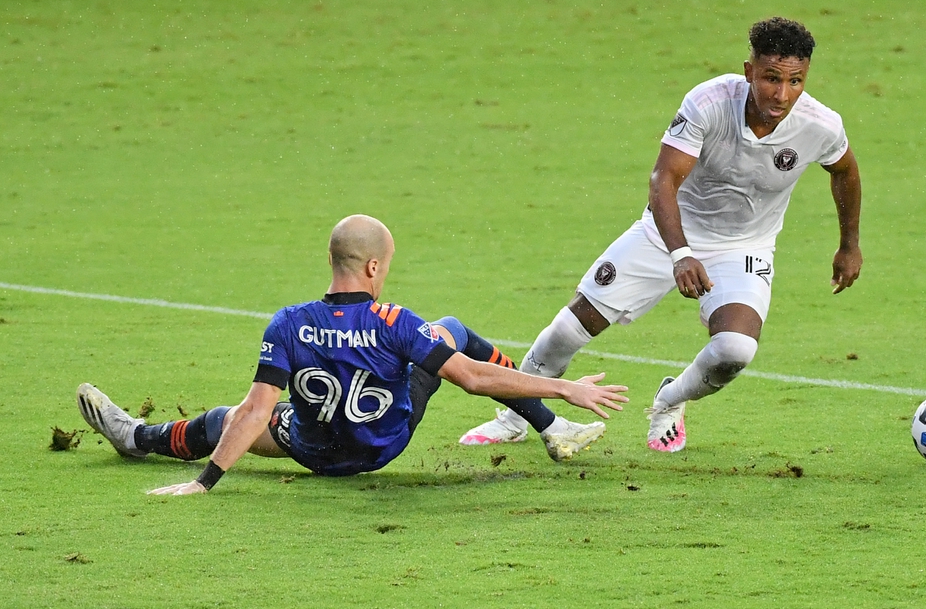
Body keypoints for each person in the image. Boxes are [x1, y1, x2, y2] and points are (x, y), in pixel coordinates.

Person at [460, 17, 862, 453]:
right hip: (666, 231)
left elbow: (845, 172)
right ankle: (514, 415)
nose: (782, 95)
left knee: (735, 350)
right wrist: (680, 253)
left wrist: (849, 244)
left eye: (795, 81)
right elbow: (663, 181)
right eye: (771, 78)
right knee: (569, 330)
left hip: (745, 246)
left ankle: (670, 401)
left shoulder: (820, 124)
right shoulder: (708, 102)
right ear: (749, 71)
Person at [76, 215, 628, 495]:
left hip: (313, 451)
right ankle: (553, 427)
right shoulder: (395, 322)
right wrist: (565, 386)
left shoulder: (289, 323)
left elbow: (251, 413)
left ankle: (137, 439)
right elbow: (475, 380)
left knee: (224, 419)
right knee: (453, 331)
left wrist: (205, 483)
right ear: (372, 268)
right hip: (384, 445)